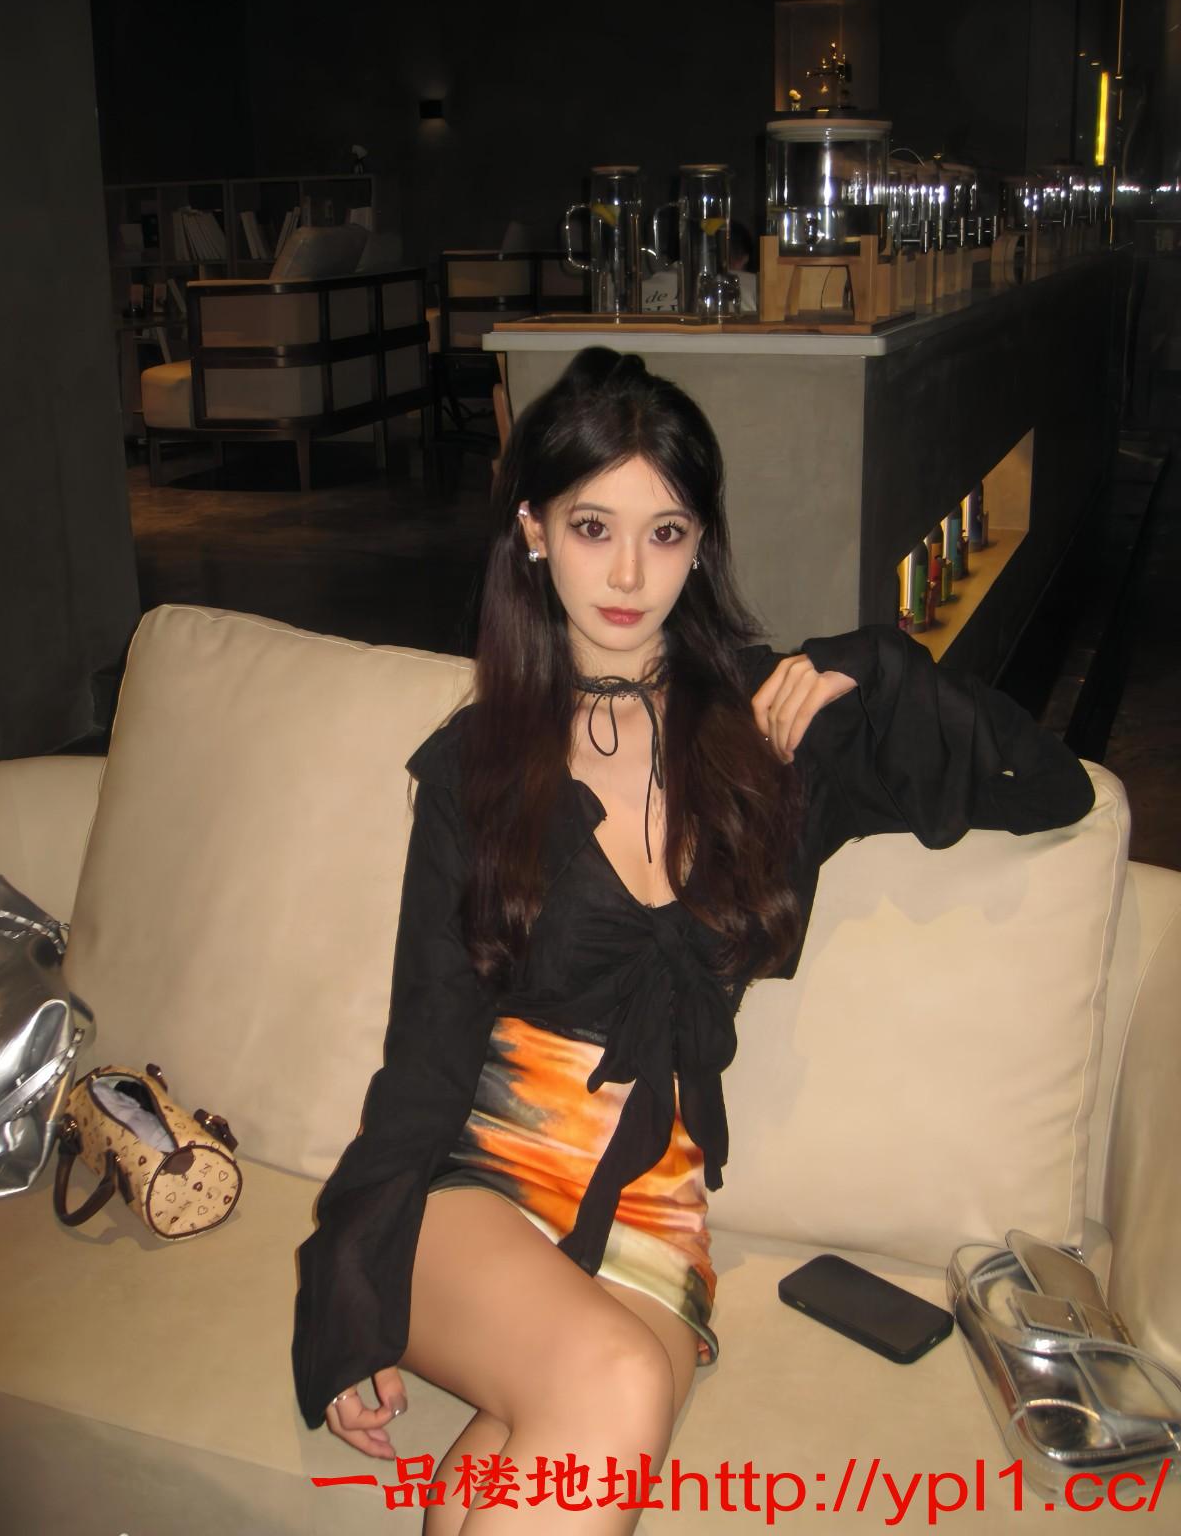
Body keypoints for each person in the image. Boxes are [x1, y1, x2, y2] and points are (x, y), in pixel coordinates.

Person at [292, 348, 1094, 1533]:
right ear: (533, 531)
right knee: (616, 1385)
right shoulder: (476, 770)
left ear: (701, 543)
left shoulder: (770, 730)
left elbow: (1051, 786)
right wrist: (346, 1296)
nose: (629, 574)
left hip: (656, 1222)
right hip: (481, 1190)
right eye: (592, 527)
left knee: (538, 1454)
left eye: (665, 533)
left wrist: (869, 667)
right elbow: (423, 1061)